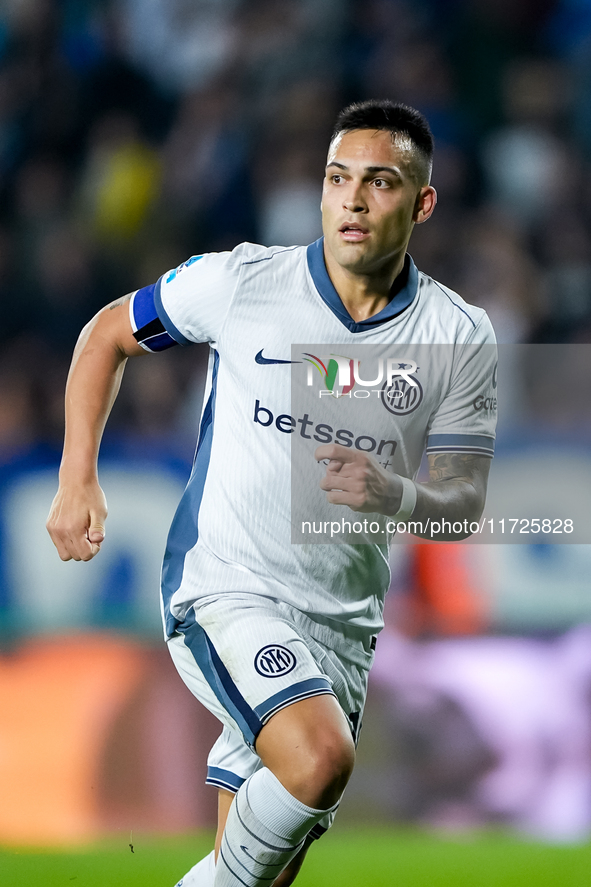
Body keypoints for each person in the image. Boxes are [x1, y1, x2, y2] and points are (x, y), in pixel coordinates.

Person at [46, 100, 497, 886]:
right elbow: (106, 334)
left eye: (379, 182)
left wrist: (393, 493)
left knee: (256, 874)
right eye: (336, 179)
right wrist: (76, 473)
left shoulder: (458, 336)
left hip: (342, 627)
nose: (352, 200)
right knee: (321, 758)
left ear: (421, 203)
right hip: (224, 587)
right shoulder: (244, 281)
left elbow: (461, 505)